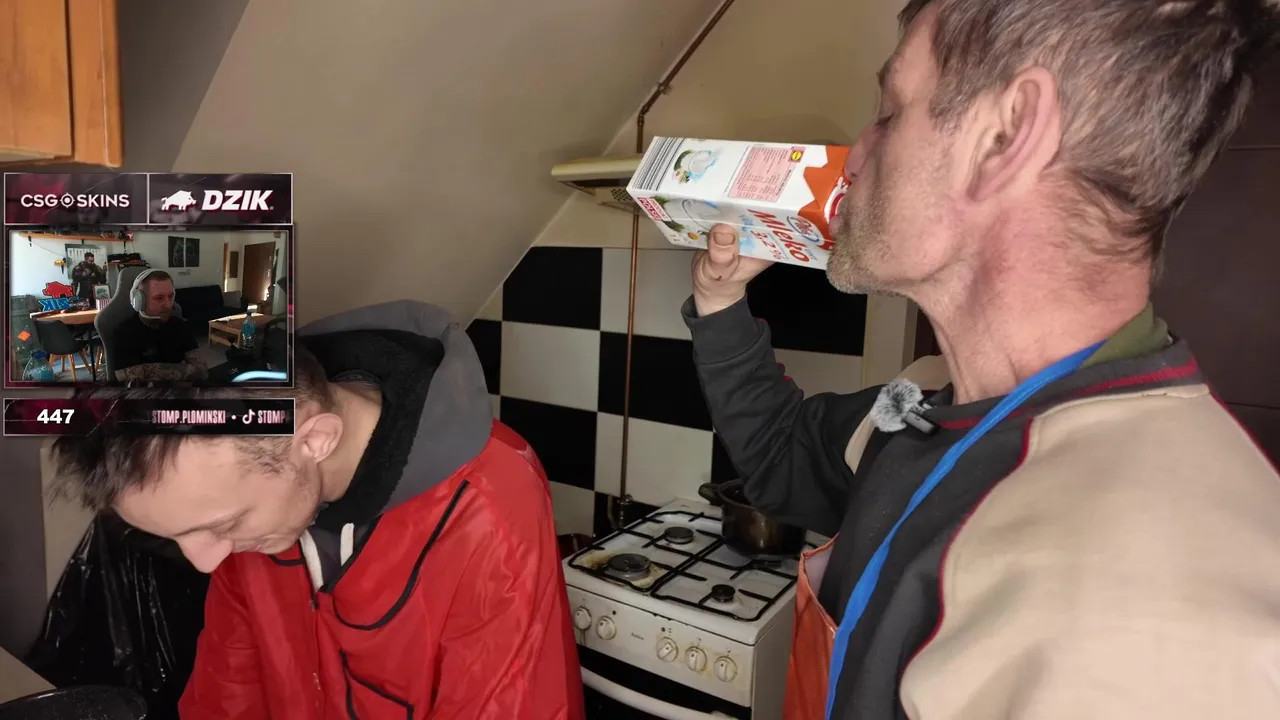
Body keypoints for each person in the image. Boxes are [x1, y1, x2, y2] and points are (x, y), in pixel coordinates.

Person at [685, 2, 1280, 719]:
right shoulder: (927, 403)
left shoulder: (1162, 614)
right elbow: (781, 456)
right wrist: (720, 301)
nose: (855, 155)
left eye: (889, 113)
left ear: (1004, 137)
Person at [50, 300, 585, 719]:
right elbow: (228, 684)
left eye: (223, 526)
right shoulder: (242, 493)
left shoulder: (486, 498)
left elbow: (511, 705)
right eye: (179, 535)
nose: (205, 562)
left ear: (315, 440)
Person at [112, 269, 207, 383]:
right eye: (159, 298)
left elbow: (201, 371)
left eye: (171, 296)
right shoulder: (124, 332)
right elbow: (128, 376)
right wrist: (185, 370)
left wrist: (147, 370)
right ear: (139, 301)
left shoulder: (180, 326)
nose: (168, 304)